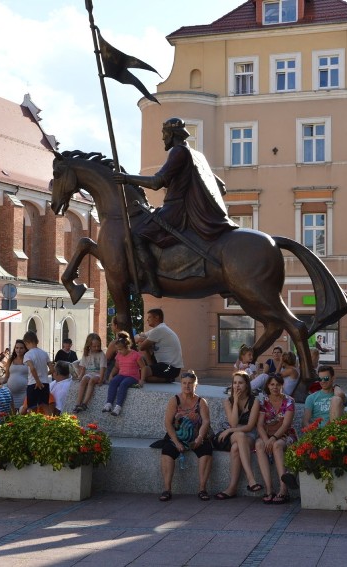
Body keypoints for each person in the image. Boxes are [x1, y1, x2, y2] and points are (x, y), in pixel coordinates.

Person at [113, 117, 238, 297]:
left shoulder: (178, 152)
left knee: (134, 237)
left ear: (171, 135)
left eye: (164, 134)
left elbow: (157, 182)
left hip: (177, 210)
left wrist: (126, 178)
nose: (163, 138)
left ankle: (152, 283)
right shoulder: (197, 156)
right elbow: (221, 186)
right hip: (183, 208)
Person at [159, 371, 213, 502]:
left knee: (206, 450)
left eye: (190, 383)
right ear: (181, 384)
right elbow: (168, 422)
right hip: (177, 435)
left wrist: (200, 437)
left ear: (195, 385)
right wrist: (176, 442)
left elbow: (206, 421)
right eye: (184, 383)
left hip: (196, 435)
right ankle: (167, 489)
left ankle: (202, 489)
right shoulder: (174, 400)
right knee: (167, 450)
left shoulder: (201, 402)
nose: (187, 386)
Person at [213, 371, 262, 499]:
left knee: (236, 448)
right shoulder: (228, 401)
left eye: (240, 383)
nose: (237, 386)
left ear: (247, 385)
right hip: (235, 436)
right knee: (239, 436)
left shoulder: (255, 402)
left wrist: (230, 430)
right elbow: (233, 423)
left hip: (248, 434)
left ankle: (232, 488)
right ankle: (251, 479)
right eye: (234, 383)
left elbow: (250, 426)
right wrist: (235, 402)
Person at [255, 374, 297, 504]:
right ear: (268, 386)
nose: (275, 387)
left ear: (282, 385)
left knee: (277, 445)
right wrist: (266, 439)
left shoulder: (289, 401)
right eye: (272, 384)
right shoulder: (264, 402)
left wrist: (272, 438)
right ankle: (269, 489)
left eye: (278, 385)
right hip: (267, 435)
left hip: (286, 436)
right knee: (259, 444)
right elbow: (260, 425)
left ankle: (283, 489)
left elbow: (286, 425)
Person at [135, 308, 183, 383]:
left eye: (149, 317)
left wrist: (141, 339)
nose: (147, 320)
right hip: (165, 366)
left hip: (170, 367)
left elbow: (141, 347)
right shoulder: (158, 329)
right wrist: (142, 338)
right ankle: (167, 379)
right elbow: (137, 336)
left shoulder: (159, 330)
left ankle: (167, 378)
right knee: (146, 378)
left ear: (157, 317)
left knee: (138, 373)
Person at [104, 333, 145, 417]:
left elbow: (143, 367)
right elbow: (116, 367)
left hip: (132, 377)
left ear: (127, 347)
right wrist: (111, 375)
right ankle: (109, 404)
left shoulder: (135, 355)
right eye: (117, 350)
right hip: (121, 375)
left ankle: (118, 407)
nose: (118, 351)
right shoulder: (119, 355)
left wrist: (142, 380)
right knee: (113, 382)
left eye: (120, 349)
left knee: (123, 384)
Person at [73, 333, 107, 413]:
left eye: (98, 346)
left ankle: (85, 403)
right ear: (89, 345)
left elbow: (102, 368)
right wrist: (80, 376)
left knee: (91, 380)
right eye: (94, 346)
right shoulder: (86, 354)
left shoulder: (101, 354)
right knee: (84, 380)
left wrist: (101, 379)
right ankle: (78, 403)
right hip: (90, 373)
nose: (96, 348)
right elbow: (83, 367)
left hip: (99, 374)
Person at [22, 331, 50, 412]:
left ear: (27, 342)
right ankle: (51, 423)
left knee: (32, 408)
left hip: (33, 383)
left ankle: (33, 424)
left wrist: (37, 381)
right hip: (45, 383)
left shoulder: (28, 354)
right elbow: (52, 369)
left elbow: (32, 368)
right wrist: (44, 374)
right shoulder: (44, 353)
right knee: (45, 406)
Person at [2, 340, 29, 412]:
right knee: (11, 415)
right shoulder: (11, 360)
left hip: (24, 393)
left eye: (21, 348)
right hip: (11, 393)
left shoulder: (28, 360)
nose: (18, 350)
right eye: (17, 348)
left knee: (22, 414)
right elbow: (6, 377)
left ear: (25, 349)